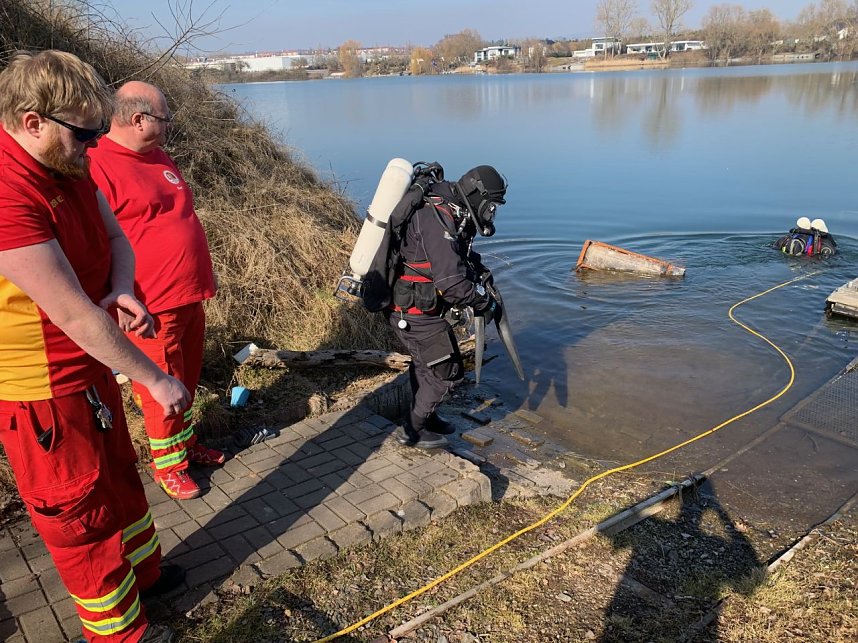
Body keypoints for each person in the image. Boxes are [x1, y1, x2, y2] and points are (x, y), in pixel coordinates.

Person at [0, 51, 190, 643]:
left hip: (93, 365)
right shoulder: (7, 192)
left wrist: (122, 286)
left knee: (119, 481)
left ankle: (146, 576)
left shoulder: (66, 162)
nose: (95, 144)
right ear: (33, 121)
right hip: (43, 391)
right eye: (84, 133)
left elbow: (115, 234)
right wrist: (154, 378)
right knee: (79, 516)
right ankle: (121, 633)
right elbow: (71, 313)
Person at [89, 81, 223, 501]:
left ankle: (186, 444)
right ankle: (169, 466)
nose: (169, 126)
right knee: (159, 386)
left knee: (186, 379)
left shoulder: (158, 155)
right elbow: (96, 241)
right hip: (150, 302)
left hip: (188, 293)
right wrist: (118, 295)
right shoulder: (98, 164)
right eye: (164, 119)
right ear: (138, 119)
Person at [385, 164, 507, 449]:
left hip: (415, 309)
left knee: (425, 363)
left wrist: (479, 270)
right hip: (413, 312)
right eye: (491, 206)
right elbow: (452, 284)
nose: (491, 213)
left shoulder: (446, 205)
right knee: (446, 373)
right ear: (477, 196)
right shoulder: (436, 217)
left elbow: (455, 254)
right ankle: (413, 431)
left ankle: (427, 418)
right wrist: (483, 303)